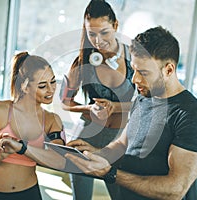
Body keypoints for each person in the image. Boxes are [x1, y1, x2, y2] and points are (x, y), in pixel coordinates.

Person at [65, 26, 197, 200]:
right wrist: (95, 154)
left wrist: (110, 173)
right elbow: (123, 144)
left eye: (143, 73)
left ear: (168, 70)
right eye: (134, 69)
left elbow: (175, 189)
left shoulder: (193, 118)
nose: (135, 79)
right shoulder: (144, 98)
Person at [60, 0, 135, 199]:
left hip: (120, 139)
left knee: (121, 195)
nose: (97, 40)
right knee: (81, 195)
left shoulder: (134, 56)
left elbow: (148, 103)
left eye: (104, 32)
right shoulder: (82, 61)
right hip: (88, 134)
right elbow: (65, 102)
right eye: (91, 34)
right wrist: (89, 108)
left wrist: (115, 106)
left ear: (115, 26)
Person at [0, 52, 66, 200]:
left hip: (29, 194)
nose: (51, 90)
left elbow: (58, 160)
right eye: (42, 85)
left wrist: (20, 147)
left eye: (53, 82)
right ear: (25, 86)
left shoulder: (52, 120)